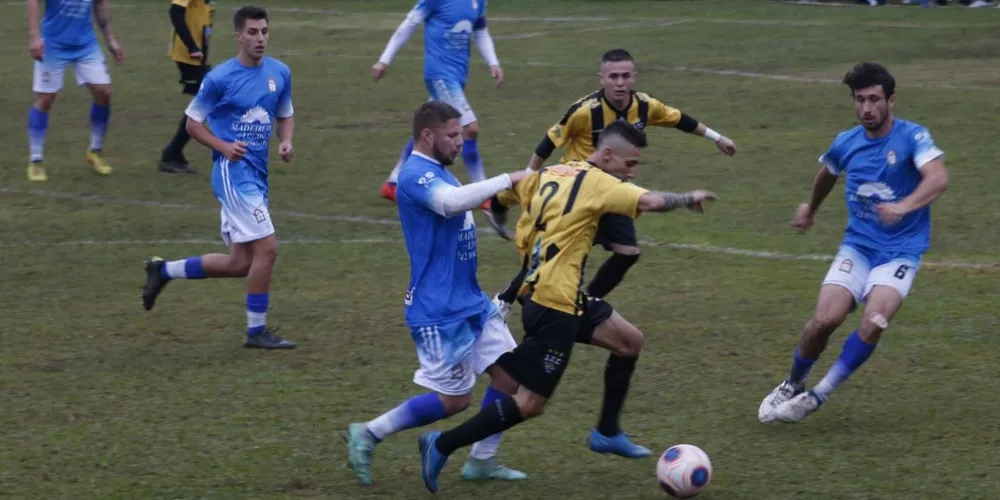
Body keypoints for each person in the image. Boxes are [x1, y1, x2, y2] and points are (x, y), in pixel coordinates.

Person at [417, 121, 718, 493]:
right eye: (630, 164)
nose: (632, 172)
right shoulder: (601, 183)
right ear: (607, 154)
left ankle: (606, 431)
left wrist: (504, 221)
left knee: (629, 342)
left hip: (560, 295)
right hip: (553, 305)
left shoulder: (549, 172)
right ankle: (442, 443)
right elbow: (650, 201)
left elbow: (502, 196)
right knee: (529, 403)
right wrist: (689, 197)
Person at [345, 102, 529, 486]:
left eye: (461, 134)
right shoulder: (415, 174)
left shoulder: (437, 171)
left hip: (470, 302)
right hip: (438, 310)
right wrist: (507, 179)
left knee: (510, 378)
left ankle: (482, 461)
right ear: (428, 136)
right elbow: (449, 204)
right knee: (454, 400)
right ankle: (369, 432)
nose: (460, 142)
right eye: (452, 134)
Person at [758, 62, 948, 424]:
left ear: (891, 100)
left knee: (874, 321)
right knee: (823, 321)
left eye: (874, 99)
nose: (866, 109)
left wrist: (904, 206)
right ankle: (793, 383)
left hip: (900, 252)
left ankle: (819, 394)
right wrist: (809, 209)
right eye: (859, 100)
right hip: (858, 247)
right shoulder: (847, 142)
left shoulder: (912, 137)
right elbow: (826, 175)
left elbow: (938, 178)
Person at [491, 48, 735, 317]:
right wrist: (530, 178)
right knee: (556, 251)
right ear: (602, 79)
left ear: (634, 78)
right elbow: (548, 143)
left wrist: (718, 138)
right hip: (576, 190)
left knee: (628, 252)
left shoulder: (644, 106)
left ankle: (587, 302)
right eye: (613, 76)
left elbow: (679, 120)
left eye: (625, 76)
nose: (619, 83)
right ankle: (503, 299)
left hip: (610, 191)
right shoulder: (585, 111)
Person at [140, 6, 297, 350]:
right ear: (238, 36)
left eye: (264, 31)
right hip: (232, 173)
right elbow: (193, 123)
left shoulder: (280, 72)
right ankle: (256, 332)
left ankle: (164, 271)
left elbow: (284, 114)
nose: (260, 38)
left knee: (241, 263)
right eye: (253, 32)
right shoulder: (220, 78)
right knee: (267, 249)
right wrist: (223, 146)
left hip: (257, 174)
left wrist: (285, 141)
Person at [371, 0, 506, 235]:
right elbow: (410, 23)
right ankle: (484, 195)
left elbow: (481, 31)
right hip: (440, 76)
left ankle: (393, 183)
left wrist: (493, 62)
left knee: (428, 131)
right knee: (470, 128)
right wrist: (384, 59)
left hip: (457, 76)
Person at [26, 0, 126, 182]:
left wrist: (111, 40)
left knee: (104, 93)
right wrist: (34, 36)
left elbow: (100, 5)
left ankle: (95, 151)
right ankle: (36, 160)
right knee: (45, 98)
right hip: (53, 44)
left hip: (85, 44)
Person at [159, 0, 216, 174]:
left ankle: (173, 153)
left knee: (204, 101)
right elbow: (175, 12)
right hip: (187, 55)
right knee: (205, 100)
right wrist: (192, 46)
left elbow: (205, 20)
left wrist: (203, 53)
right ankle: (171, 154)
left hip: (198, 55)